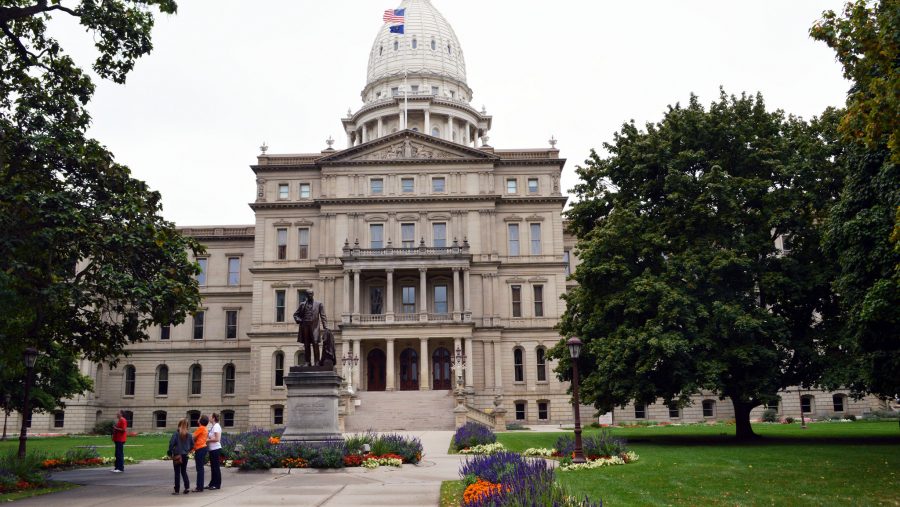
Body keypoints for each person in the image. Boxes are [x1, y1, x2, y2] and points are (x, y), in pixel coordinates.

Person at [293, 289, 328, 366]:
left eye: (311, 294)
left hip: (314, 326)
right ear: (306, 295)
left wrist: (326, 326)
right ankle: (307, 362)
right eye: (308, 294)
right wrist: (300, 320)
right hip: (305, 326)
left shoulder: (319, 304)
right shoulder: (302, 304)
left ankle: (317, 362)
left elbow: (323, 316)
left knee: (315, 343)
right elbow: (295, 315)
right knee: (306, 344)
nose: (310, 295)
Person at [167, 418, 194, 495]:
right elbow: (192, 445)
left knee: (177, 473)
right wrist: (187, 450)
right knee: (184, 471)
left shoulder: (176, 434)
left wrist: (170, 452)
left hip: (177, 455)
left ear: (179, 425)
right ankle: (187, 487)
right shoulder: (189, 435)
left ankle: (177, 490)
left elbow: (171, 444)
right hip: (185, 455)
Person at [192, 415, 209, 492]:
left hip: (200, 449)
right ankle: (200, 486)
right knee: (200, 468)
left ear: (201, 421)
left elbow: (192, 437)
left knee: (199, 469)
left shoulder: (201, 428)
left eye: (199, 418)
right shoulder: (204, 428)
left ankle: (199, 487)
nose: (198, 419)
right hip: (203, 448)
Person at [206, 412, 222, 490]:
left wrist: (207, 440)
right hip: (212, 449)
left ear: (213, 418)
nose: (209, 418)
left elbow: (217, 439)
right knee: (213, 467)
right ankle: (212, 483)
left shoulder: (216, 426)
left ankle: (217, 484)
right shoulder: (213, 426)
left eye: (210, 417)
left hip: (215, 449)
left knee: (216, 467)